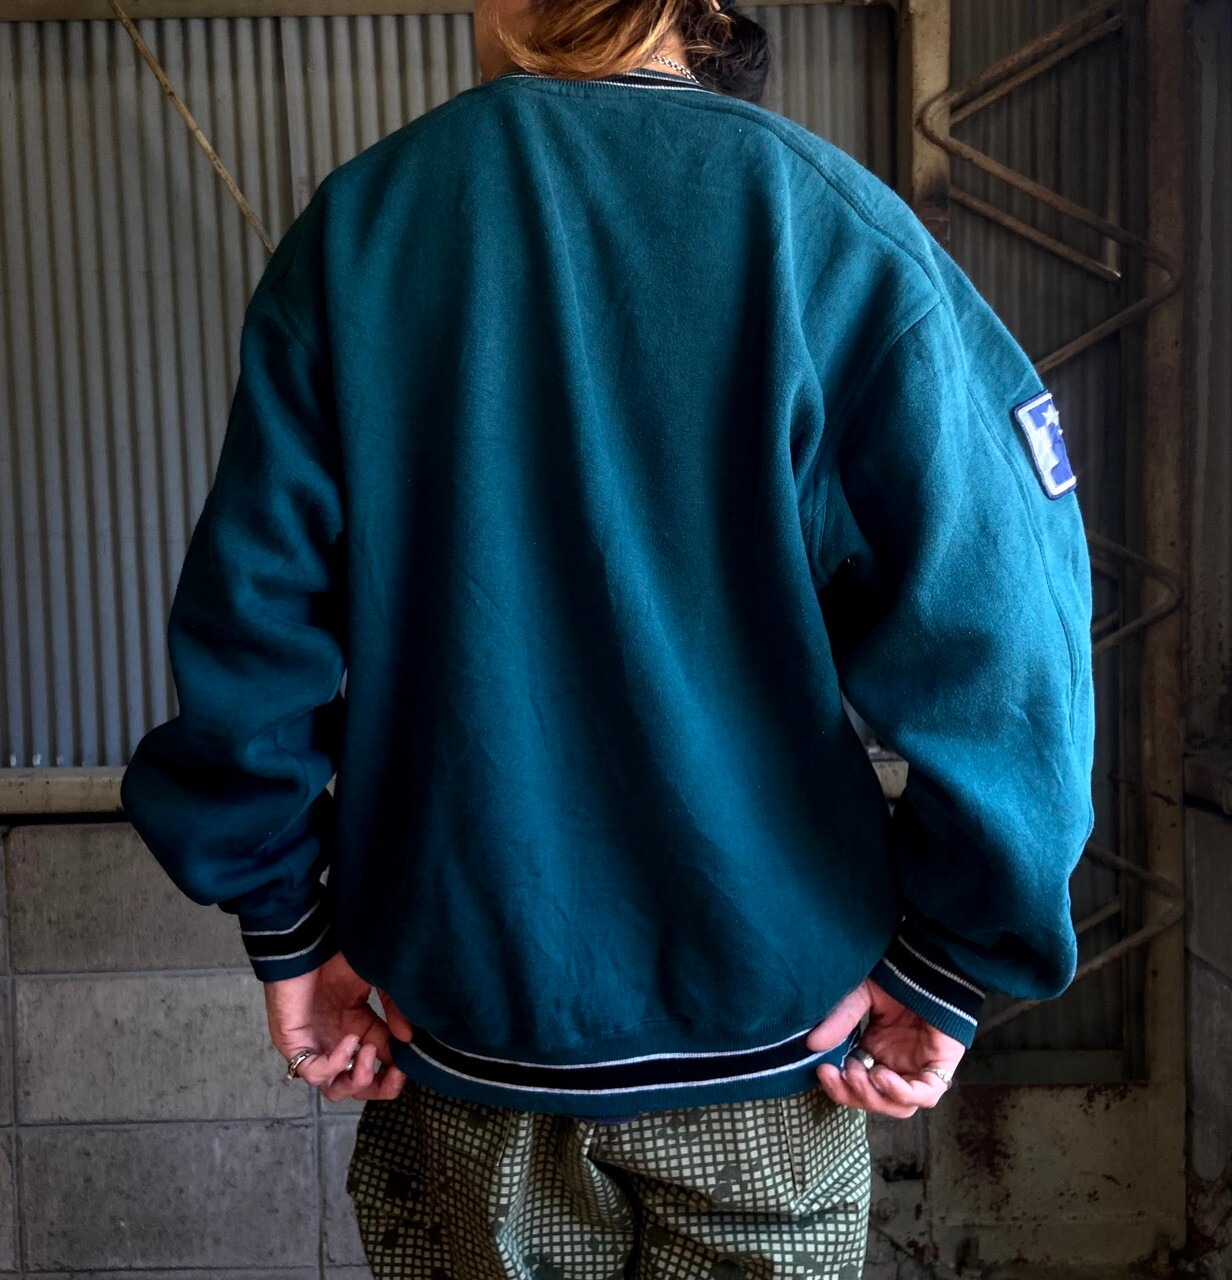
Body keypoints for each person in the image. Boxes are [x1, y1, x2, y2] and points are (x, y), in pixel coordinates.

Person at [119, 0, 1096, 1274]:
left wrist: (288, 928)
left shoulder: (364, 227)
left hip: (463, 1036)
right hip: (768, 1053)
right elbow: (1004, 613)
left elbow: (253, 620)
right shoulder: (821, 226)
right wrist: (953, 953)